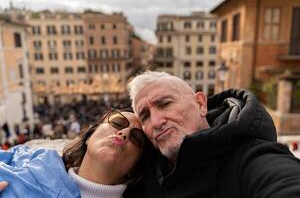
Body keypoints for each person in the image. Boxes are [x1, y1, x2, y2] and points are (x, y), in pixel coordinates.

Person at [126, 71, 300, 198]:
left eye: (165, 104)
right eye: (145, 116)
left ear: (201, 104)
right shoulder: (139, 178)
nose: (156, 122)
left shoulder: (251, 159)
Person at [0, 110, 148, 198]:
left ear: (135, 167)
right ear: (90, 136)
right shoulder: (34, 159)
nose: (125, 133)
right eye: (117, 123)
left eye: (136, 138)